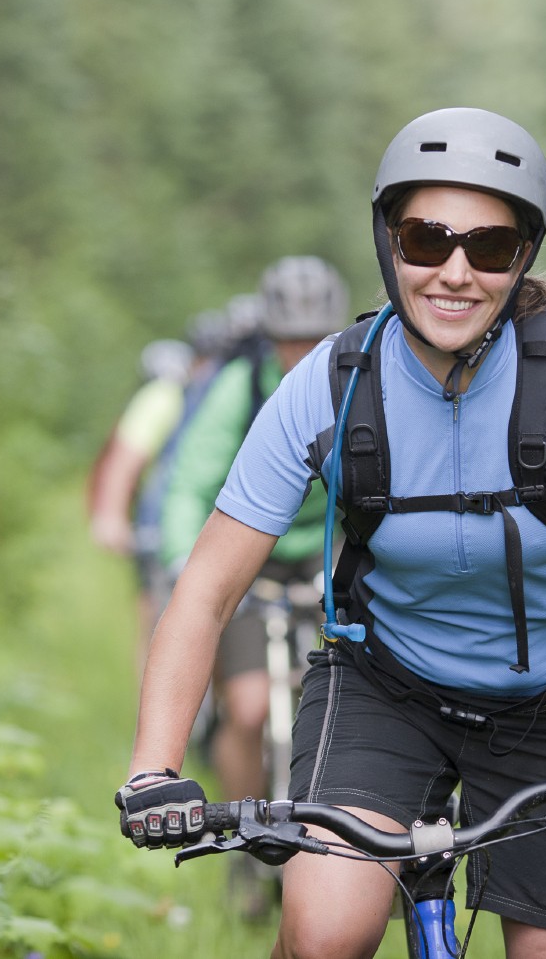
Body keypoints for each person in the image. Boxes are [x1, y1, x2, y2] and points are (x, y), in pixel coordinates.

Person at [115, 108, 546, 959]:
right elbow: (207, 588)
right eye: (426, 239)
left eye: (487, 248)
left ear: (521, 256)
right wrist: (154, 766)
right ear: (389, 244)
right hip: (384, 688)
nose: (455, 272)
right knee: (326, 928)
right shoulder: (328, 383)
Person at [156, 255, 350, 917]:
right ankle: (244, 845)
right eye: (288, 338)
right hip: (250, 564)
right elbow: (191, 480)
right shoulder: (239, 388)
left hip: (328, 558)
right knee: (245, 709)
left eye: (313, 337)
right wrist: (188, 562)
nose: (300, 352)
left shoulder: (353, 383)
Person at [87, 337, 197, 665]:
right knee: (159, 618)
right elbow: (126, 459)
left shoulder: (162, 394)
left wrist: (110, 515)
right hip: (163, 524)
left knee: (155, 621)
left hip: (161, 525)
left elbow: (123, 459)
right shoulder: (169, 395)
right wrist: (110, 515)